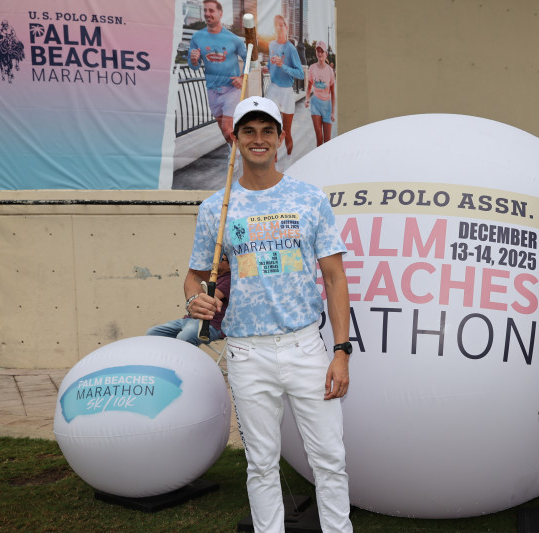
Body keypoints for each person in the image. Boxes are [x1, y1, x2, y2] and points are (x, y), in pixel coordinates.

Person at [185, 96, 353, 532]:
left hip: (305, 347)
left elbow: (335, 278)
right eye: (249, 131)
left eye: (267, 131)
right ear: (235, 139)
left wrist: (341, 351)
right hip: (246, 352)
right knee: (260, 463)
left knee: (329, 459)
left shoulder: (309, 199)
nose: (258, 139)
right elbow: (195, 276)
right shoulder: (216, 208)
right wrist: (194, 301)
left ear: (280, 138)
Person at [188, 0, 247, 146]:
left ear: (220, 13)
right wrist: (194, 60)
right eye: (205, 10)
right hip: (212, 90)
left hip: (231, 89)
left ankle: (238, 155)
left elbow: (250, 59)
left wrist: (242, 78)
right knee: (224, 130)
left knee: (227, 128)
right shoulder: (197, 37)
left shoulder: (233, 39)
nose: (207, 14)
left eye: (211, 10)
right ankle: (235, 150)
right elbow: (194, 66)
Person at [146, 257, 230, 345]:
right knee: (153, 333)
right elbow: (194, 284)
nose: (216, 261)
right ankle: (167, 354)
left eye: (221, 259)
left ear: (230, 265)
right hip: (190, 319)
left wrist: (197, 288)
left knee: (184, 338)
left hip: (210, 324)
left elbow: (208, 296)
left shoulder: (229, 280)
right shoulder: (213, 277)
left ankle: (183, 354)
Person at [264, 15, 304, 160]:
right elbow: (270, 65)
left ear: (287, 28)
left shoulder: (291, 49)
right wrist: (266, 68)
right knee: (271, 127)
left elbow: (300, 74)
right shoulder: (271, 45)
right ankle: (273, 160)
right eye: (276, 25)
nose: (279, 27)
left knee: (286, 131)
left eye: (282, 25)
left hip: (287, 92)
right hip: (273, 89)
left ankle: (289, 160)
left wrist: (283, 66)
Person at [305, 41, 336, 146]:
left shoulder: (330, 71)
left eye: (322, 51)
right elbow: (309, 86)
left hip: (327, 107)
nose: (319, 53)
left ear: (326, 53)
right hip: (315, 105)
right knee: (319, 138)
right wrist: (307, 99)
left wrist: (333, 112)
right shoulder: (312, 68)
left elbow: (333, 93)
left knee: (327, 142)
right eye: (318, 51)